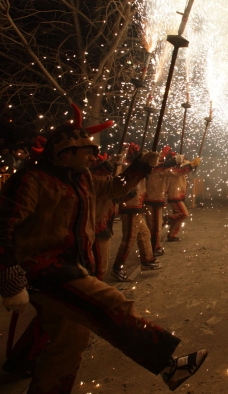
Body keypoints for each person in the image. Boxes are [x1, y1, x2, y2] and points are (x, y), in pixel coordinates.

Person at [0, 105, 207, 392]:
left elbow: (115, 187)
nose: (93, 155)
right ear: (64, 153)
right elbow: (2, 227)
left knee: (69, 345)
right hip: (45, 271)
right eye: (86, 151)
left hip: (72, 266)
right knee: (112, 304)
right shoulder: (32, 180)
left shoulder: (81, 178)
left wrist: (140, 167)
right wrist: (9, 275)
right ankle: (168, 365)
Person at [112, 143, 161, 281]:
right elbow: (121, 180)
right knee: (129, 239)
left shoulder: (138, 168)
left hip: (138, 205)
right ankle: (117, 267)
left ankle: (147, 260)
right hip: (130, 206)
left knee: (144, 234)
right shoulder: (127, 167)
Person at [90, 151, 124, 280]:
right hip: (96, 223)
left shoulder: (106, 178)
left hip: (104, 222)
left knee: (102, 264)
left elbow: (116, 193)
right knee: (99, 266)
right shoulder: (89, 178)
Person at [144, 147, 175, 256]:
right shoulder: (158, 169)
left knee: (156, 225)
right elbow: (174, 172)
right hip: (153, 199)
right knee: (155, 227)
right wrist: (188, 166)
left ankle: (152, 246)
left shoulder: (156, 168)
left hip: (153, 199)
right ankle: (154, 248)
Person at [164, 153, 200, 242]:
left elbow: (185, 168)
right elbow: (184, 168)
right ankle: (166, 219)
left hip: (178, 195)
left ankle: (171, 235)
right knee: (184, 214)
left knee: (179, 218)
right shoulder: (174, 170)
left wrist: (192, 165)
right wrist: (192, 165)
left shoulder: (179, 169)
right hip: (174, 195)